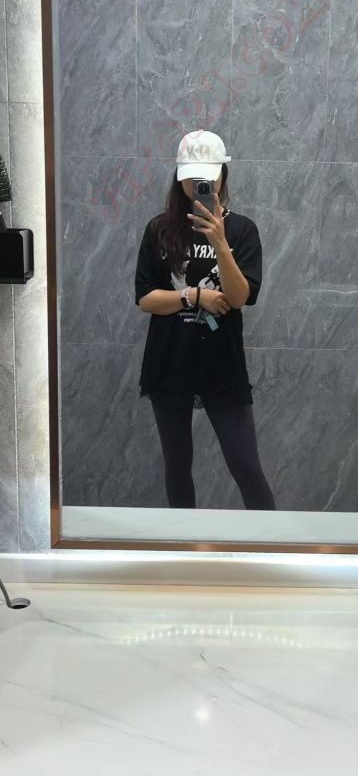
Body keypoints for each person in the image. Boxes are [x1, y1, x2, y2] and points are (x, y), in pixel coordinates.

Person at [134, 129, 276, 510]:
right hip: (170, 362)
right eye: (192, 177)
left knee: (247, 468)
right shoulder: (159, 230)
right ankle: (184, 543)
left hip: (222, 367)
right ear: (179, 177)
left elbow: (241, 297)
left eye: (207, 177)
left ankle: (271, 543)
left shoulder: (241, 230)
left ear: (222, 176)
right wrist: (194, 296)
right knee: (177, 469)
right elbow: (146, 299)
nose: (199, 184)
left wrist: (220, 243)